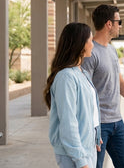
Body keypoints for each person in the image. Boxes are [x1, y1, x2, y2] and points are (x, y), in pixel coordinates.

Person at [82, 4, 124, 168]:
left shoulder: (112, 51)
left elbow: (120, 83)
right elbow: (84, 92)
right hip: (97, 126)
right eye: (118, 22)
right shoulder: (90, 53)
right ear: (109, 24)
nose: (120, 26)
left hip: (117, 123)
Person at [43, 23, 102, 168]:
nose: (92, 45)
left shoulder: (83, 73)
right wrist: (81, 162)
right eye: (90, 40)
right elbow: (68, 123)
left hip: (87, 147)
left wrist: (95, 135)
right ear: (79, 44)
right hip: (74, 154)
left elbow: (90, 110)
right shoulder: (66, 77)